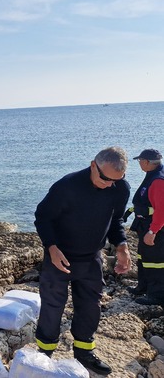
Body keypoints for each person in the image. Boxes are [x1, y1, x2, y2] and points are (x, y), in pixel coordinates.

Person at [34, 147, 131, 376]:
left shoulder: (119, 188)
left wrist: (122, 246)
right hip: (60, 257)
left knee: (90, 306)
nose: (109, 184)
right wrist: (52, 247)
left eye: (116, 180)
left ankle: (84, 352)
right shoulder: (66, 186)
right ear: (92, 165)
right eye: (105, 178)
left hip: (91, 258)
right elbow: (43, 217)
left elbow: (116, 220)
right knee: (52, 306)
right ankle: (44, 354)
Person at [128, 149, 164, 305]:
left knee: (155, 261)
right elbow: (144, 201)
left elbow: (161, 210)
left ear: (148, 162)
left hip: (155, 228)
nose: (140, 164)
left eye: (140, 161)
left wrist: (153, 231)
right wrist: (129, 212)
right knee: (143, 257)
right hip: (144, 224)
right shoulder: (152, 176)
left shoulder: (158, 181)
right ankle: (143, 286)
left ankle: (157, 294)